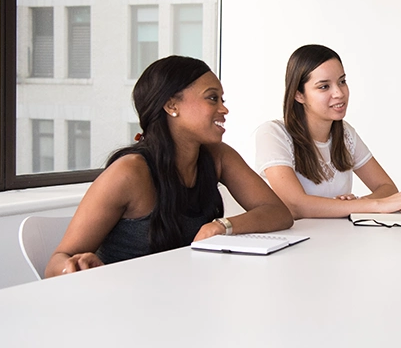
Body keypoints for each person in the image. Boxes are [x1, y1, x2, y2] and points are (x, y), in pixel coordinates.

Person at [45, 56, 293, 278]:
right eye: (212, 98)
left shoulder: (218, 156)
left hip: (184, 296)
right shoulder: (129, 173)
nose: (224, 108)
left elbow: (278, 213)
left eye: (222, 99)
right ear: (171, 105)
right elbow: (56, 264)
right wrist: (73, 266)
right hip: (126, 305)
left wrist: (221, 226)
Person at [253, 44, 401, 219]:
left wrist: (354, 205)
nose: (339, 93)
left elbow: (386, 187)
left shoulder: (345, 133)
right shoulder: (272, 134)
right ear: (299, 95)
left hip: (338, 239)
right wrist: (365, 205)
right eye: (324, 86)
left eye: (342, 81)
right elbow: (296, 206)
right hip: (294, 242)